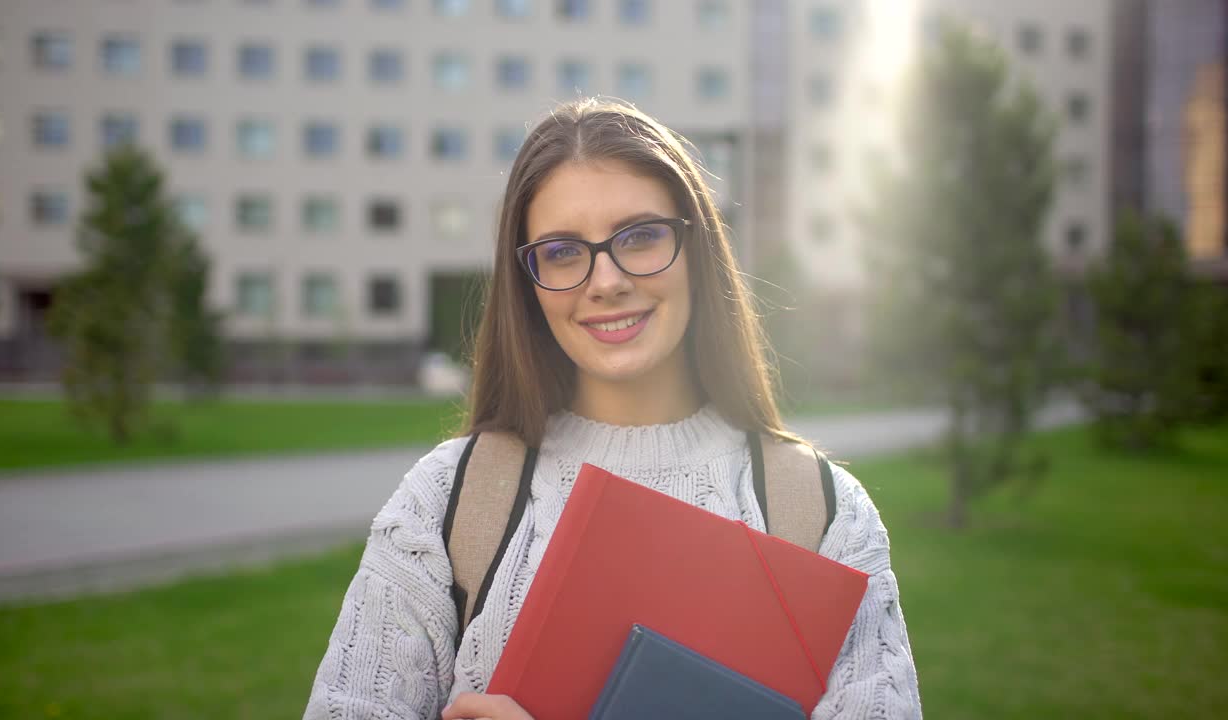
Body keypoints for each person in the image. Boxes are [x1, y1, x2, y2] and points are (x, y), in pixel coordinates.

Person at [303, 98, 922, 720]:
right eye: (563, 252)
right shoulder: (446, 502)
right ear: (529, 283)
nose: (605, 281)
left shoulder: (823, 515)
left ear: (696, 247)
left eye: (641, 236)